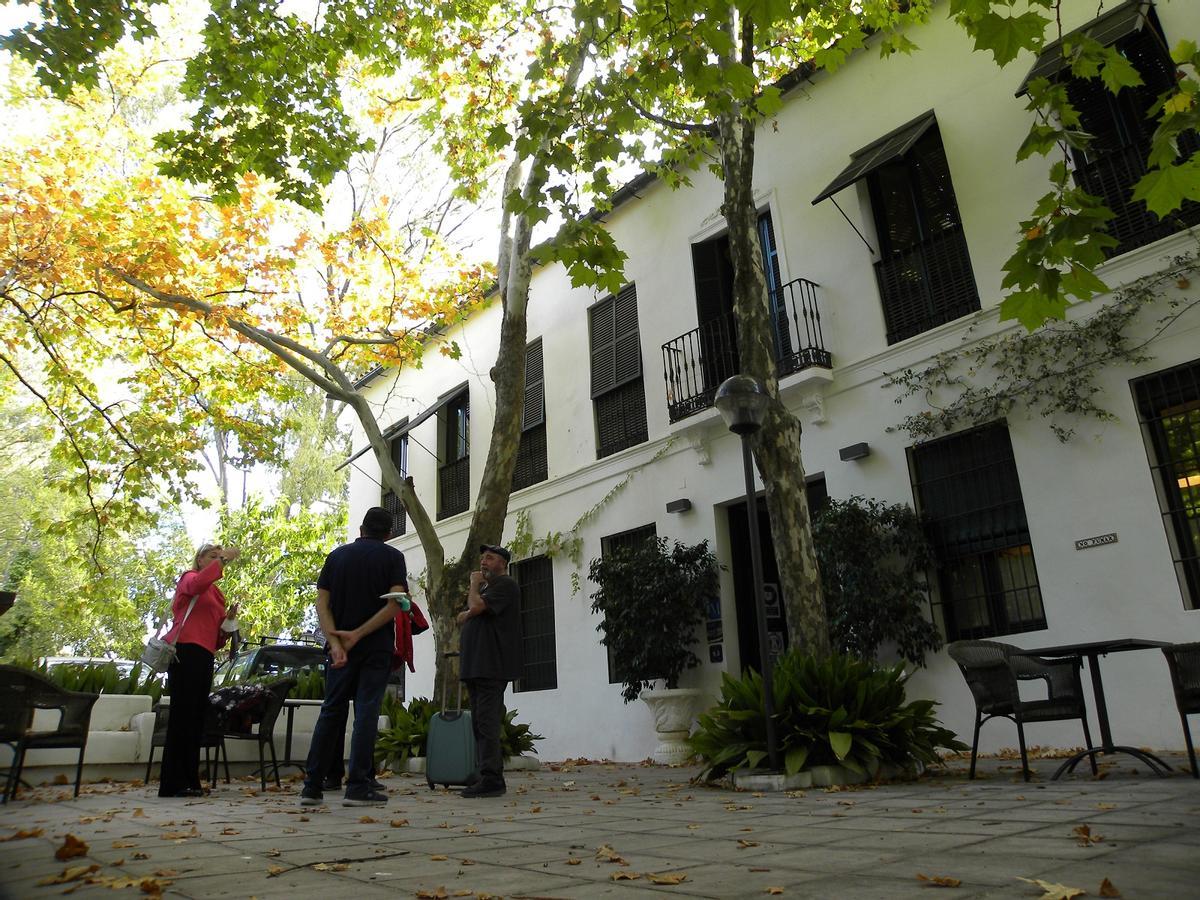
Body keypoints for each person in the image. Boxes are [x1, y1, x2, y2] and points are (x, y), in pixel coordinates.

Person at [301, 507, 408, 807]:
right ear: (389, 534)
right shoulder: (393, 558)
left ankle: (312, 787)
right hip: (375, 648)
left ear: (361, 529)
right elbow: (397, 604)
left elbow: (322, 604)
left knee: (331, 710)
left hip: (339, 650)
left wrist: (336, 641)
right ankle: (358, 785)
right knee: (366, 712)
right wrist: (359, 634)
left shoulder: (336, 557)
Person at [158, 542, 240, 798]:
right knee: (182, 715)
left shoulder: (217, 594)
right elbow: (196, 586)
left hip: (204, 654)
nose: (218, 560)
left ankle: (190, 779)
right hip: (185, 651)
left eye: (220, 556)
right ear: (200, 559)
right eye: (212, 556)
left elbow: (216, 638)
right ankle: (172, 782)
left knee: (196, 717)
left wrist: (227, 623)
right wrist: (224, 560)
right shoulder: (189, 578)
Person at [457, 544, 522, 798]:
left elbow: (477, 607)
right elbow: (473, 611)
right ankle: (484, 772)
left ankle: (493, 780)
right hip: (477, 666)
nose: (483, 562)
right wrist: (469, 611)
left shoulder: (505, 585)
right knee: (479, 721)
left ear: (502, 564)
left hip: (491, 665)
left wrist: (473, 587)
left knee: (486, 722)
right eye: (482, 557)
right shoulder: (489, 588)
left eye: (490, 558)